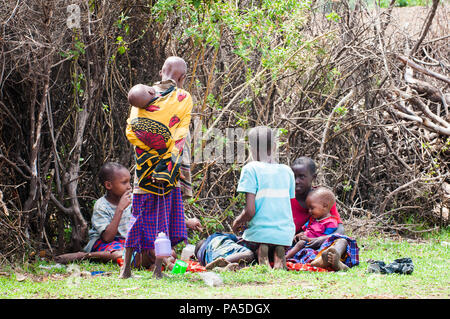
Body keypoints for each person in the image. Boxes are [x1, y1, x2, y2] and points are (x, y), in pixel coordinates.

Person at [120, 56, 193, 279]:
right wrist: (167, 159)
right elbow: (179, 136)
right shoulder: (183, 98)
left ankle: (126, 270)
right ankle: (158, 272)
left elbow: (132, 130)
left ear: (162, 71)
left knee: (137, 216)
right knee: (163, 218)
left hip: (142, 170)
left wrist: (149, 147)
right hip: (166, 170)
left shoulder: (142, 95)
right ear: (183, 77)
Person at [232, 126, 296, 270]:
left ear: (251, 148)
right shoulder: (287, 171)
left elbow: (250, 211)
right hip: (285, 235)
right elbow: (287, 206)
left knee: (243, 240)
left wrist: (238, 221)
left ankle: (262, 250)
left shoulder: (251, 169)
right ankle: (279, 252)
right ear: (274, 147)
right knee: (276, 239)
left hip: (259, 234)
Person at [290, 157, 344, 249]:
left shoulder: (323, 198)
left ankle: (332, 258)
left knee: (343, 241)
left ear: (313, 177)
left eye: (301, 176)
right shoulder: (288, 198)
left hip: (323, 242)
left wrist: (322, 239)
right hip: (298, 243)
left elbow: (340, 229)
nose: (296, 181)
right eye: (293, 177)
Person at [285, 186, 339, 259]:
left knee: (300, 243)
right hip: (306, 242)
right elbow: (305, 230)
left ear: (325, 206)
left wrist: (308, 239)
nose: (309, 211)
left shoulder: (330, 223)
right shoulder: (312, 220)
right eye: (308, 208)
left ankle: (286, 257)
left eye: (312, 208)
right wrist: (299, 235)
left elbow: (325, 239)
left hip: (316, 245)